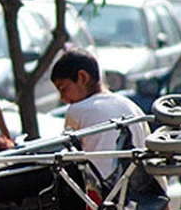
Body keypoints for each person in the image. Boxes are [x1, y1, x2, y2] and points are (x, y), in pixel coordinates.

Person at [50, 47, 150, 183]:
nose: (63, 98)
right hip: (144, 196)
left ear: (82, 78)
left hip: (103, 196)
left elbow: (70, 159)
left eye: (63, 89)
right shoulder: (131, 106)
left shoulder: (77, 110)